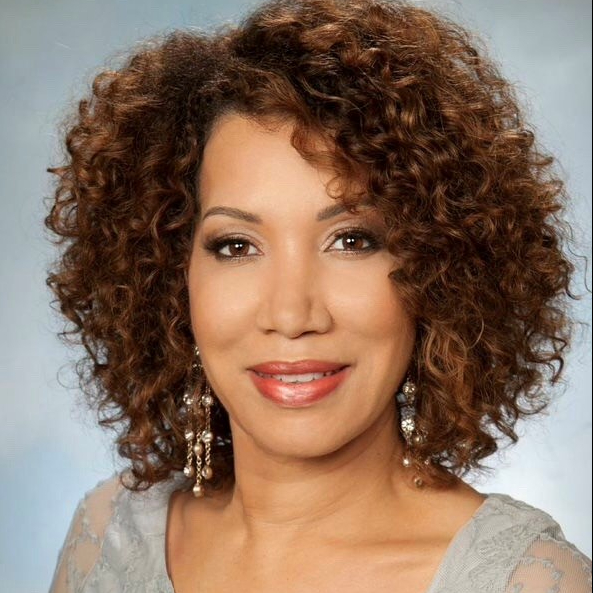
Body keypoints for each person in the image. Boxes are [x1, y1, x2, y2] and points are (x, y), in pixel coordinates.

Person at [46, 0, 591, 591]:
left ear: (441, 273)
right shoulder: (106, 535)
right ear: (171, 280)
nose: (291, 314)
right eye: (236, 246)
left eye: (352, 240)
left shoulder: (526, 580)